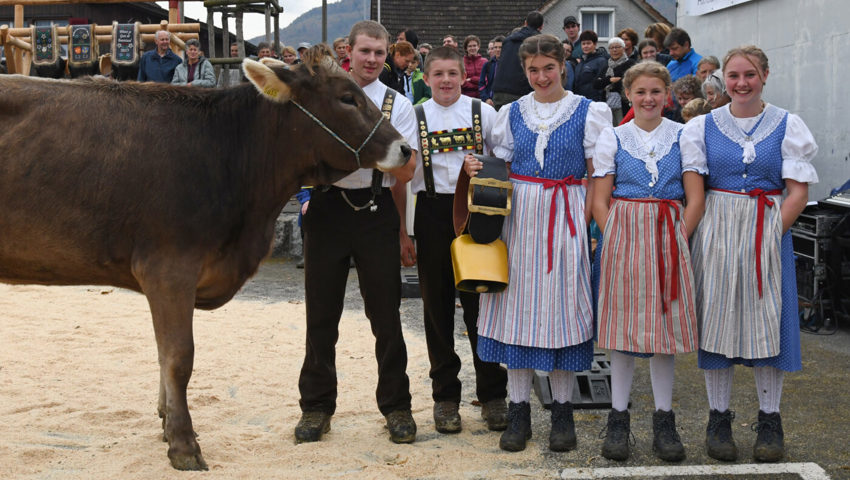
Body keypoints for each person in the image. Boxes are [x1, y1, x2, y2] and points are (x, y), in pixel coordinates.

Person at [464, 34, 612, 453]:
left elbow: (595, 173)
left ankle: (563, 414)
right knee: (519, 313)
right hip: (520, 222)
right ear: (524, 71)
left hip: (567, 216)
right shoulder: (510, 113)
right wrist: (479, 166)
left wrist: (582, 228)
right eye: (533, 70)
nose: (541, 76)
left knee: (561, 312)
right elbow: (501, 168)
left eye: (548, 68)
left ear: (562, 65)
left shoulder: (589, 111)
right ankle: (519, 412)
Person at [680, 45, 819, 463]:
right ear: (724, 78)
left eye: (750, 75)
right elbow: (695, 190)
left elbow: (797, 192)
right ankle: (718, 419)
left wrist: (769, 234)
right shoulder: (702, 126)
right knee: (718, 321)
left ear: (765, 76)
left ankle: (770, 420)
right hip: (717, 227)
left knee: (768, 321)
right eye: (734, 75)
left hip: (768, 226)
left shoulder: (787, 124)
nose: (742, 83)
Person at [295, 20, 419, 446]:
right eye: (365, 51)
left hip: (375, 209)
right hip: (327, 209)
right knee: (321, 316)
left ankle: (397, 407)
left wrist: (405, 232)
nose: (371, 60)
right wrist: (368, 154)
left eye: (379, 53)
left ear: (388, 56)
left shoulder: (397, 104)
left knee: (386, 316)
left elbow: (405, 169)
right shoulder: (327, 92)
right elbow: (304, 155)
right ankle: (315, 407)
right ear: (349, 50)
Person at [592, 60, 706, 462]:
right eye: (640, 92)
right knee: (624, 332)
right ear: (628, 95)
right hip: (625, 234)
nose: (648, 99)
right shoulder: (614, 137)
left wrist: (678, 236)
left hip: (668, 232)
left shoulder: (684, 135)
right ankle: (618, 419)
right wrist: (617, 237)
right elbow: (600, 199)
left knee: (664, 331)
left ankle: (664, 420)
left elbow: (695, 198)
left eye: (656, 91)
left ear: (667, 94)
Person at [401, 45, 509, 436]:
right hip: (431, 213)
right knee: (437, 308)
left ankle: (493, 393)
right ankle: (445, 398)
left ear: (464, 75)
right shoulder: (414, 117)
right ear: (426, 78)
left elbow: (506, 163)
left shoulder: (484, 113)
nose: (445, 81)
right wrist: (403, 230)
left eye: (452, 73)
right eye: (438, 74)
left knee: (483, 306)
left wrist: (484, 166)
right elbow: (403, 173)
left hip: (476, 213)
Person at [490, 11, 544, 109]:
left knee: (501, 123)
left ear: (525, 23)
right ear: (541, 27)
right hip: (520, 93)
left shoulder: (507, 41)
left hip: (499, 92)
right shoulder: (537, 43)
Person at [594, 37, 636, 125]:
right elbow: (596, 84)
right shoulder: (606, 65)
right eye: (612, 48)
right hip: (607, 102)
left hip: (625, 103)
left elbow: (629, 82)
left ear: (623, 48)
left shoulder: (631, 63)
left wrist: (606, 81)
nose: (614, 50)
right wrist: (610, 80)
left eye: (617, 47)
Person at [573, 30, 608, 102]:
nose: (585, 46)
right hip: (580, 101)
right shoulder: (581, 62)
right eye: (583, 44)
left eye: (588, 43)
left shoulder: (601, 61)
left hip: (594, 102)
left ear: (595, 44)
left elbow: (601, 86)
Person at [479, 36, 503, 106]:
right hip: (489, 102)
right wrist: (486, 98)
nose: (498, 49)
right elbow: (481, 83)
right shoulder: (487, 65)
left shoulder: (509, 64)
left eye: (500, 47)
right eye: (495, 47)